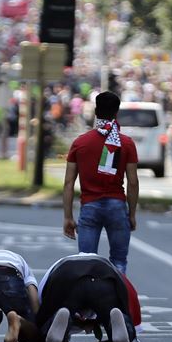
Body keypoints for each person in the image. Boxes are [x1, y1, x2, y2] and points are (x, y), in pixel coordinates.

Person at [63, 91, 139, 274]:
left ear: (96, 112)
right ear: (117, 112)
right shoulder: (126, 143)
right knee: (119, 261)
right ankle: (118, 301)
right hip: (117, 206)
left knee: (86, 263)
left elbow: (68, 183)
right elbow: (133, 182)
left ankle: (90, 301)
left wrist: (68, 217)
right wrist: (132, 214)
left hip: (89, 207)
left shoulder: (80, 143)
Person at [36, 253, 136, 342]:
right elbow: (127, 295)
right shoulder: (111, 267)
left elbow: (43, 301)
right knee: (111, 313)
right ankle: (118, 328)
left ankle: (57, 326)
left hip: (66, 274)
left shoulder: (58, 265)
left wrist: (42, 321)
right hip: (103, 274)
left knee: (52, 316)